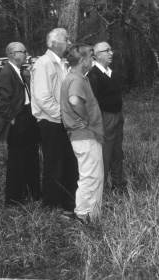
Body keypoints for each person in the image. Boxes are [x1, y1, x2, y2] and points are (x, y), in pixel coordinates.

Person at [30, 28, 78, 215]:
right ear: (54, 43)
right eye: (66, 39)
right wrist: (63, 115)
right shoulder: (44, 63)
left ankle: (68, 202)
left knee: (68, 162)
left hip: (63, 121)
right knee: (54, 163)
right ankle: (51, 205)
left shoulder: (61, 64)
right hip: (51, 122)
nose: (69, 42)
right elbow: (43, 98)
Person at [61, 44, 104, 224]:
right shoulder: (76, 79)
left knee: (91, 175)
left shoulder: (76, 77)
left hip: (84, 135)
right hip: (84, 134)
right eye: (91, 57)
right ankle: (84, 215)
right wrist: (85, 118)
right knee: (90, 176)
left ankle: (89, 213)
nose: (92, 60)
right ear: (82, 60)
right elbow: (74, 100)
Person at [0, 41, 40, 205]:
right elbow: (1, 102)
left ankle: (30, 192)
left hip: (28, 117)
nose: (26, 53)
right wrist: (12, 120)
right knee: (17, 160)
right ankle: (13, 199)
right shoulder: (6, 73)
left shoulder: (19, 71)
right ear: (12, 54)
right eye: (23, 51)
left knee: (30, 157)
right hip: (18, 121)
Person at [88, 41, 126, 192]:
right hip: (104, 118)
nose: (111, 53)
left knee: (118, 152)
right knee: (105, 154)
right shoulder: (93, 75)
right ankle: (101, 191)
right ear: (96, 55)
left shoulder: (112, 73)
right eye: (107, 50)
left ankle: (119, 185)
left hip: (118, 116)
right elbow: (93, 102)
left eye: (111, 49)